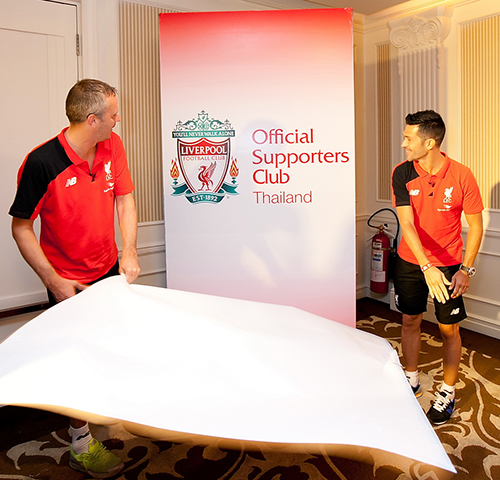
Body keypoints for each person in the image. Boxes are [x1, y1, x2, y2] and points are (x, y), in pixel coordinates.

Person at [9, 79, 140, 477]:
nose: (118, 120)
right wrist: (53, 281)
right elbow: (20, 227)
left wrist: (130, 251)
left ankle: (101, 409)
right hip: (67, 280)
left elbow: (124, 198)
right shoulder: (42, 163)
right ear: (92, 120)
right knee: (75, 359)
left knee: (106, 346)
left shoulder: (112, 145)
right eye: (113, 115)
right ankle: (80, 445)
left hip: (107, 269)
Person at [391, 110, 483, 425]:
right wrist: (425, 265)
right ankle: (412, 380)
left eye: (409, 138)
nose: (404, 144)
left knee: (448, 329)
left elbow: (476, 225)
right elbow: (406, 223)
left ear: (429, 143)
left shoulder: (462, 175)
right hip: (411, 261)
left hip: (448, 265)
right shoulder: (402, 172)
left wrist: (465, 270)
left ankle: (448, 391)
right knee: (410, 320)